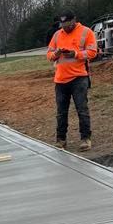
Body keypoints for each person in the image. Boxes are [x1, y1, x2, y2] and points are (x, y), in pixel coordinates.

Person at [46, 10, 98, 152]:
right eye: (63, 25)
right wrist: (55, 54)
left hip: (79, 78)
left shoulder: (86, 32)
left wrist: (75, 54)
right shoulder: (57, 35)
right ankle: (61, 139)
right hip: (60, 80)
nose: (66, 27)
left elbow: (93, 52)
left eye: (68, 24)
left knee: (82, 109)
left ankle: (85, 138)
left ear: (74, 20)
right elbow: (49, 54)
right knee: (61, 112)